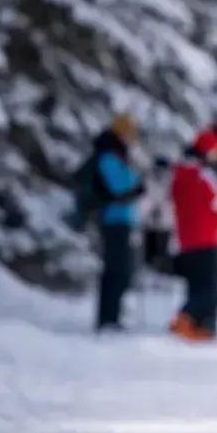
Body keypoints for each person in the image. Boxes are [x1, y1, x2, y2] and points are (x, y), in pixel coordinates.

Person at [170, 130, 217, 340]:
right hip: (209, 236)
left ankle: (197, 325)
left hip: (186, 239)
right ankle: (187, 318)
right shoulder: (205, 175)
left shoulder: (179, 174)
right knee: (209, 287)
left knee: (195, 284)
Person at [90, 113, 144, 331]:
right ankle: (108, 318)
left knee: (119, 270)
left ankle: (112, 315)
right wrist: (137, 186)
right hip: (114, 220)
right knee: (116, 270)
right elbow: (121, 186)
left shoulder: (116, 154)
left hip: (120, 219)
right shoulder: (108, 156)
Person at [139, 156, 175, 276]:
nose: (161, 173)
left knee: (164, 255)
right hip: (149, 225)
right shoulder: (148, 182)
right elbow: (144, 201)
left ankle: (163, 275)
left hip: (166, 225)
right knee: (149, 255)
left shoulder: (172, 183)